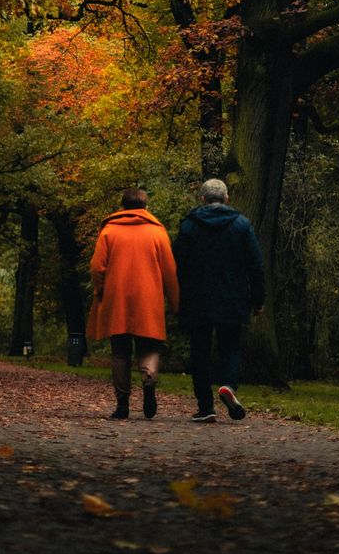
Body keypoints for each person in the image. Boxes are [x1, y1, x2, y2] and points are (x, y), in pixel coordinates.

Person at [172, 178, 265, 423]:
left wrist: (177, 296)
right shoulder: (242, 225)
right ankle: (228, 386)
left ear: (202, 199)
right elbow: (256, 265)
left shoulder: (190, 225)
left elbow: (176, 264)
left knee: (199, 351)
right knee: (230, 346)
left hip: (197, 298)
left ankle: (206, 407)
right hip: (233, 297)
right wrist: (258, 299)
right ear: (226, 199)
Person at [86, 187, 180, 420]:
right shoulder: (157, 233)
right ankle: (148, 383)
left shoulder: (109, 231)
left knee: (120, 352)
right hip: (148, 300)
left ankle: (122, 405)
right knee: (149, 347)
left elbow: (97, 267)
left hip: (116, 300)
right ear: (145, 207)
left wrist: (100, 290)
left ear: (122, 206)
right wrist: (175, 302)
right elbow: (170, 271)